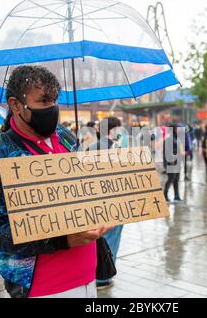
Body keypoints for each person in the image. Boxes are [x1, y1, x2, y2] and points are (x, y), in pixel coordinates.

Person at [0, 66, 111, 298]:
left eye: (55, 100)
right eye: (43, 101)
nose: (52, 108)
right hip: (43, 287)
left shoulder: (67, 138)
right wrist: (62, 240)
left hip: (89, 276)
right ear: (16, 105)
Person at [89, 117, 123, 291]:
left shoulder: (91, 147)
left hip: (95, 202)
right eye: (119, 128)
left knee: (98, 237)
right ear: (112, 129)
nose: (121, 132)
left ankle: (96, 273)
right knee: (112, 238)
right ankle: (104, 276)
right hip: (114, 201)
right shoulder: (116, 148)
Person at [163, 124, 185, 202]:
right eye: (177, 129)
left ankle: (176, 196)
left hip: (177, 162)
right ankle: (165, 194)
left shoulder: (177, 139)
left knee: (176, 179)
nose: (179, 130)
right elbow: (166, 152)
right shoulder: (168, 139)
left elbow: (179, 150)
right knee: (171, 179)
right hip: (171, 163)